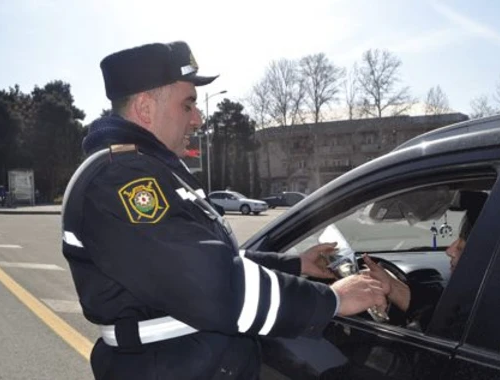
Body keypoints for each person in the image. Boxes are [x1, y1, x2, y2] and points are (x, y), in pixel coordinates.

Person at [61, 41, 387, 380]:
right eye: (188, 105)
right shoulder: (118, 180)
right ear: (145, 107)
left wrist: (296, 264)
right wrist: (330, 301)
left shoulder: (152, 170)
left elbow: (208, 259)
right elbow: (210, 286)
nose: (198, 119)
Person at [363, 190, 488, 331]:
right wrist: (391, 286)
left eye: (461, 247)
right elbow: (444, 312)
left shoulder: (485, 320)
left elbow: (446, 331)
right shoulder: (482, 303)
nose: (449, 251)